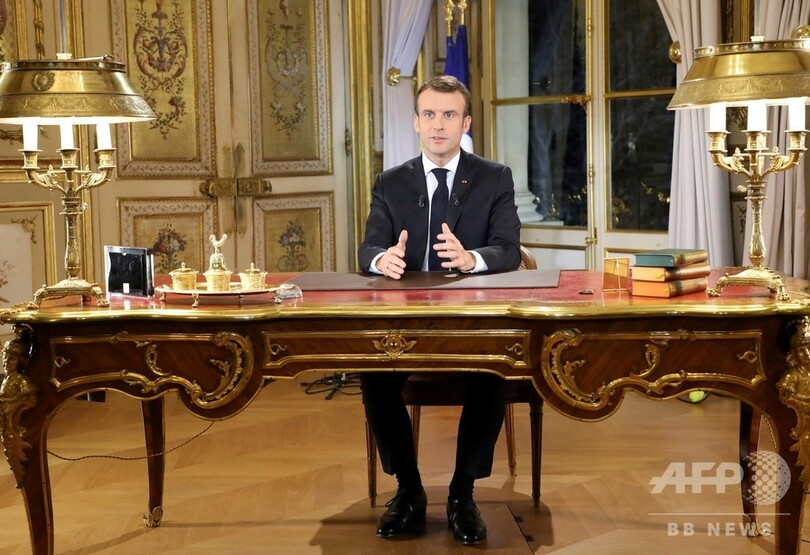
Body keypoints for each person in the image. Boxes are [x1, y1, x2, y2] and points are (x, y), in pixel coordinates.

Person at [357, 75, 521, 545]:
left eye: (449, 115)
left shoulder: (494, 177)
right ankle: (408, 490)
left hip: (471, 318)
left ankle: (462, 494)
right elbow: (367, 247)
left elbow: (509, 249)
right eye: (429, 114)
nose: (438, 125)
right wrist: (382, 259)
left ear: (465, 123)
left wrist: (472, 259)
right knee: (373, 376)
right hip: (406, 320)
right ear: (415, 122)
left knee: (492, 373)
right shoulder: (390, 182)